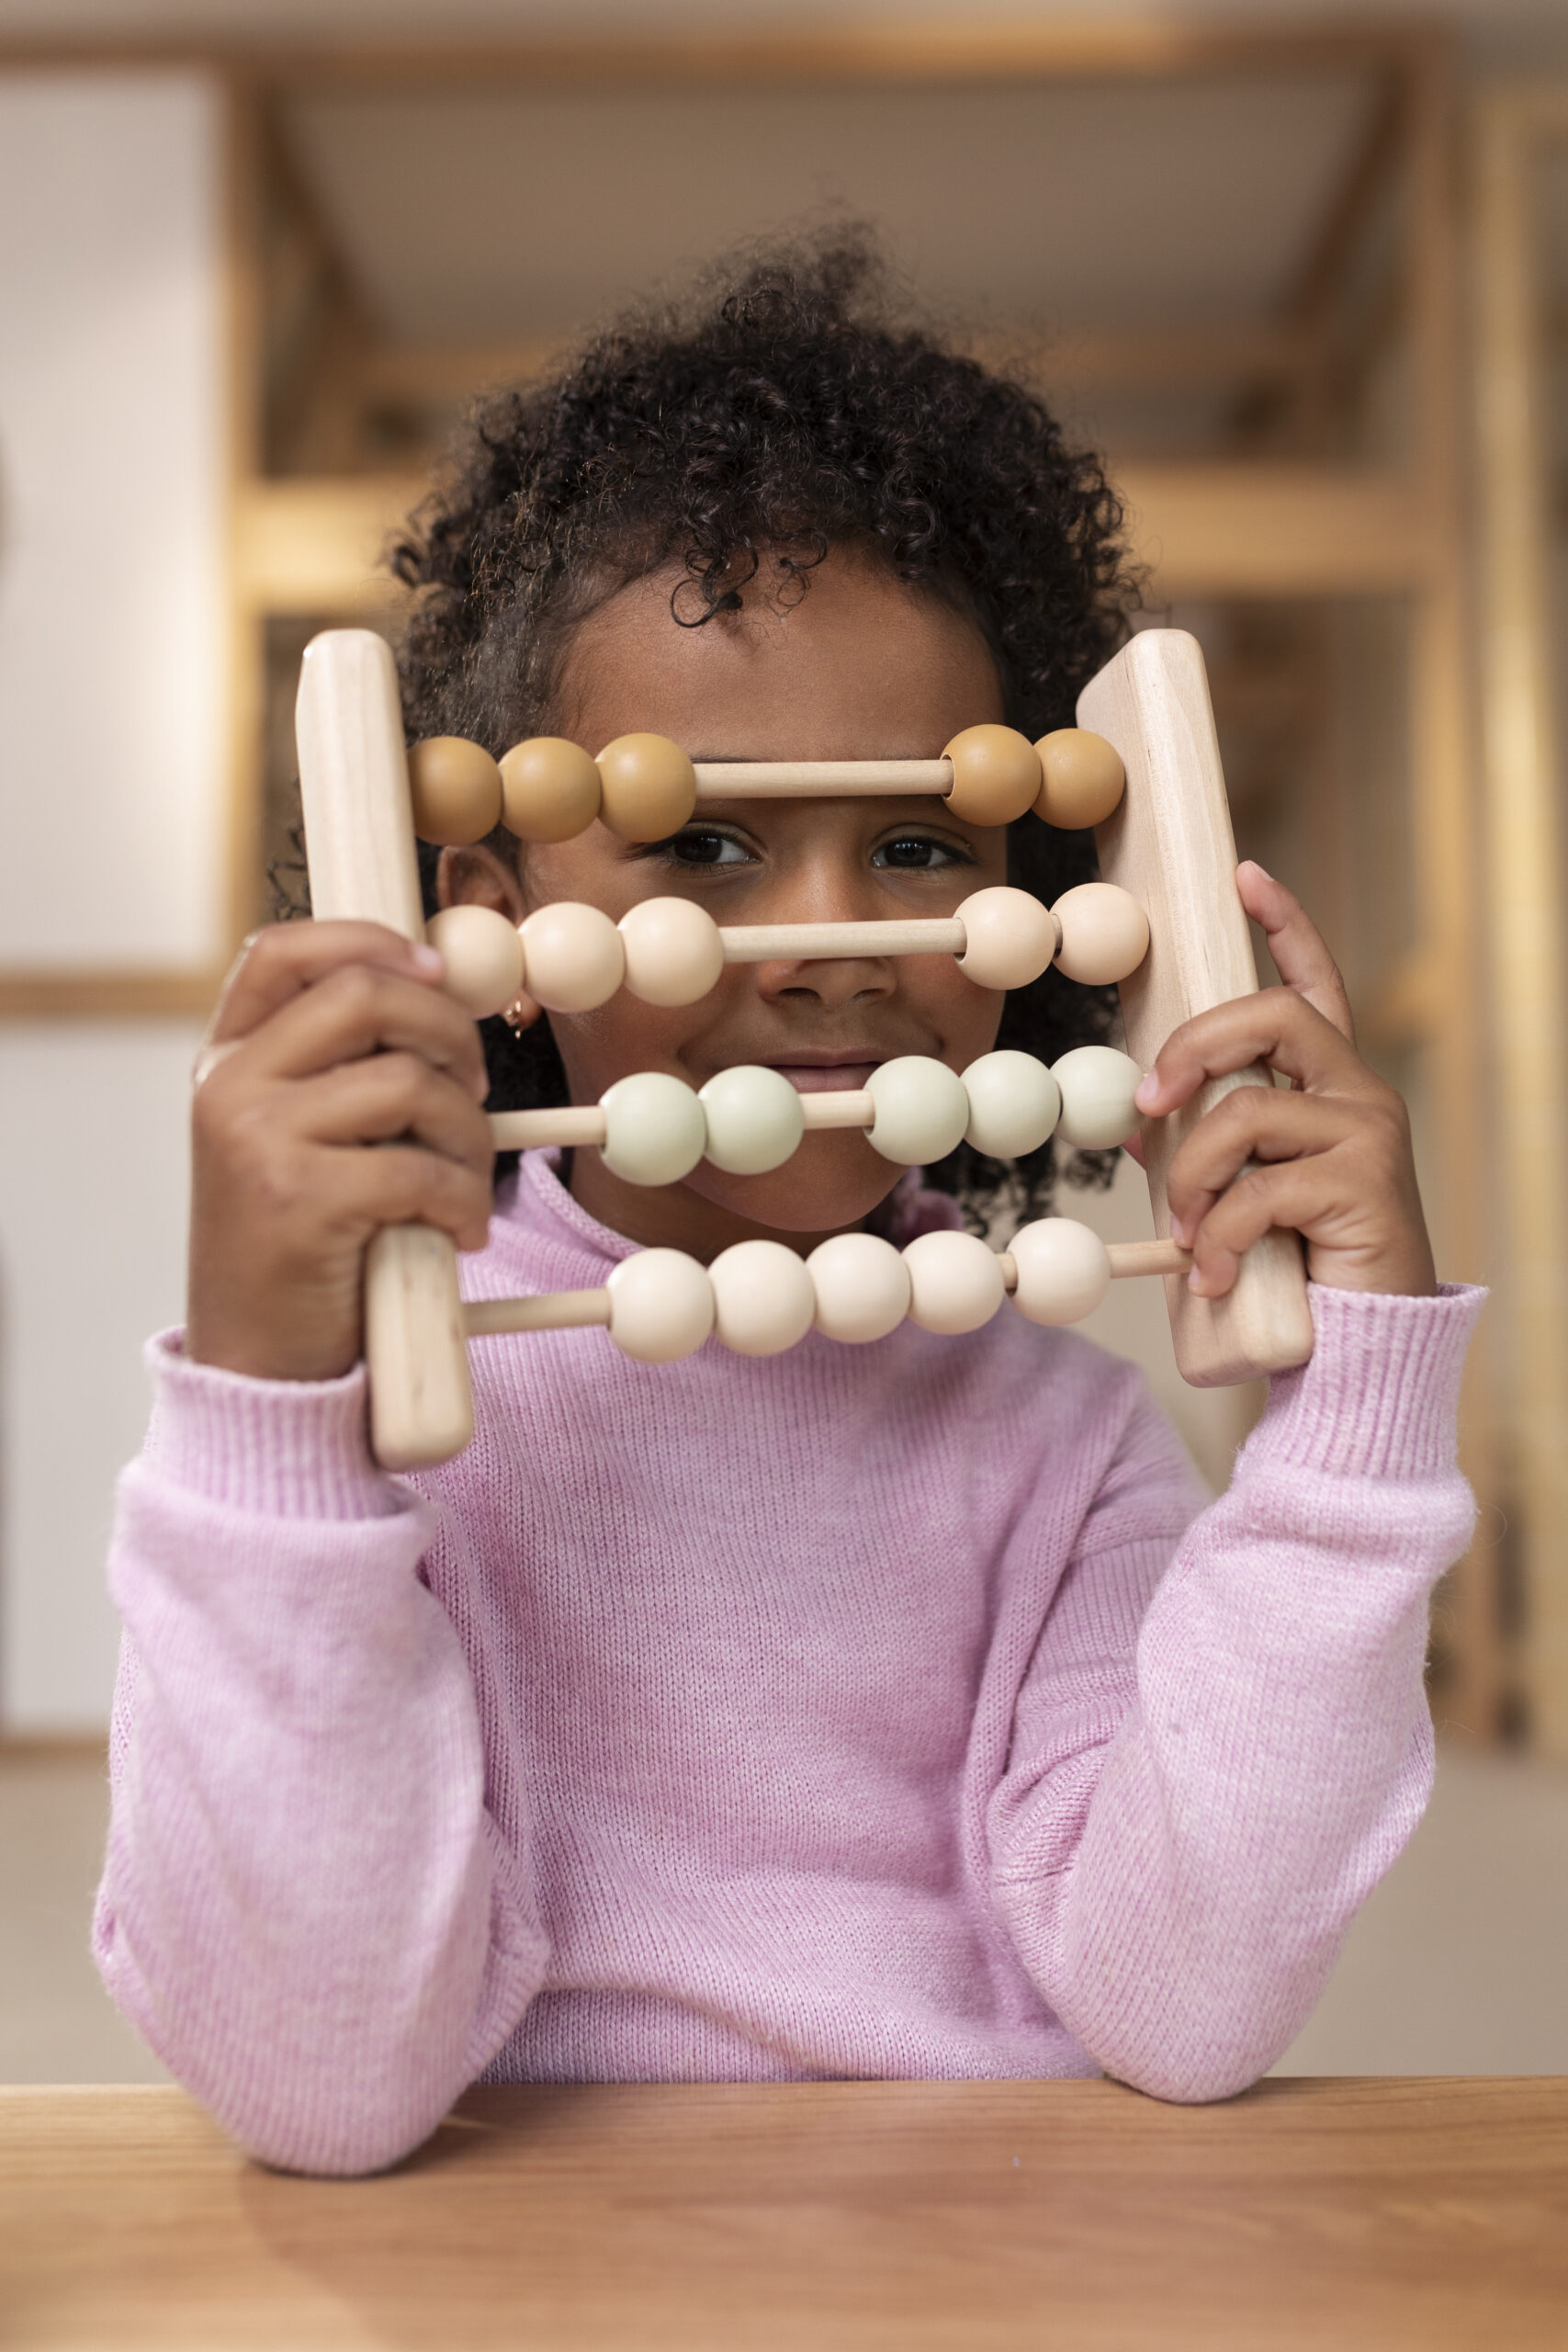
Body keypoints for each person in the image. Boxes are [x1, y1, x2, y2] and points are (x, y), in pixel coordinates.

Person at [94, 243, 1481, 2177]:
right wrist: (262, 1412)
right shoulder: (396, 1429)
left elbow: (1186, 2002)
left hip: (976, 2251)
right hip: (518, 2270)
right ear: (490, 910)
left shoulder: (1060, 1439)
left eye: (919, 843)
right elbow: (319, 2081)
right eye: (705, 845)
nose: (831, 939)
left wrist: (1342, 1422)